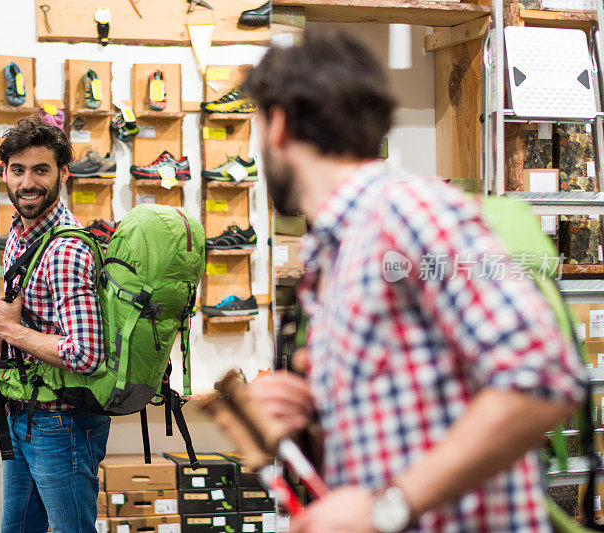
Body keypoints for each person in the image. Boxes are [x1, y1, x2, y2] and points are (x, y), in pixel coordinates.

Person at [244, 29, 587, 532]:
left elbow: (542, 377)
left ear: (279, 125)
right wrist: (311, 408)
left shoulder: (407, 214)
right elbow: (411, 409)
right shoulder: (339, 250)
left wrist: (387, 507)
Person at [0, 117, 109, 533]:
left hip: (62, 425)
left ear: (64, 173)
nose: (27, 183)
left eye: (40, 169)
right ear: (5, 173)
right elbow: (27, 318)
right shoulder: (18, 232)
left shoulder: (66, 250)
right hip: (23, 410)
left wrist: (10, 331)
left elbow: (86, 354)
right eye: (17, 170)